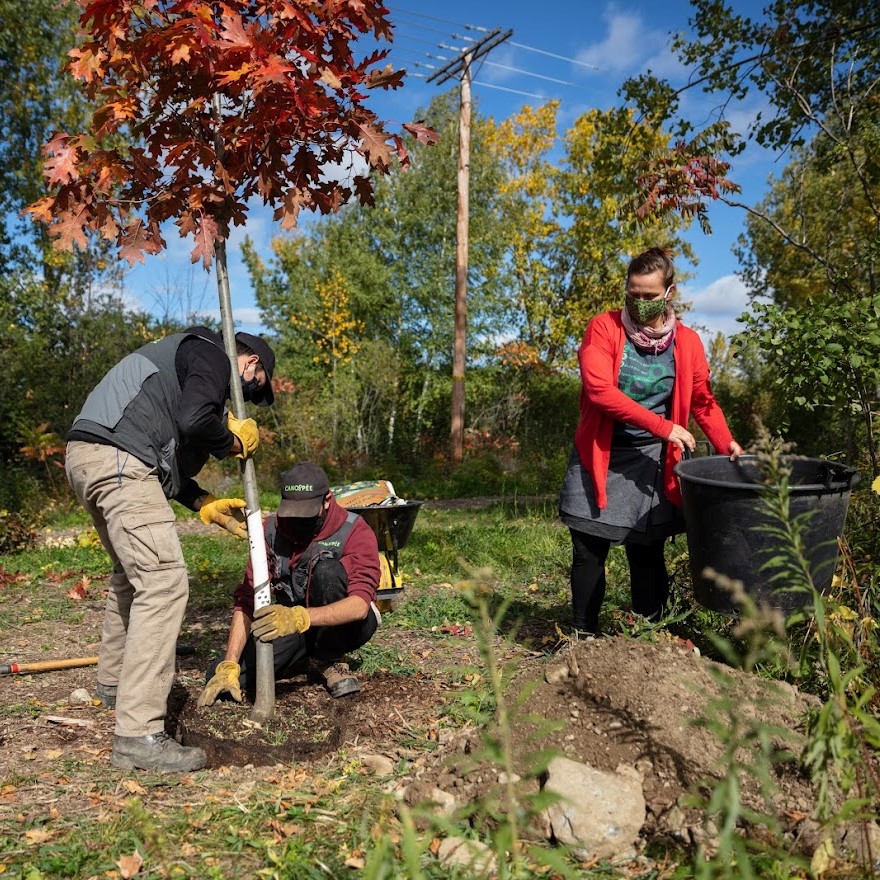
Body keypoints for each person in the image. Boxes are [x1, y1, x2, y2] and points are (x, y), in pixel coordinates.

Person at [64, 325, 276, 772]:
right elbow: (195, 420)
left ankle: (114, 685)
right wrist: (233, 441)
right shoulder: (211, 354)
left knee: (133, 573)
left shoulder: (179, 365)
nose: (247, 400)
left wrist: (203, 502)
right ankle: (138, 734)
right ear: (251, 363)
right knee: (163, 581)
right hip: (120, 459)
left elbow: (171, 457)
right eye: (253, 389)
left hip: (89, 455)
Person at [559, 247, 743, 637]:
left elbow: (703, 402)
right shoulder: (604, 329)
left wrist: (728, 445)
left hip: (651, 460)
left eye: (649, 296)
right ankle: (584, 635)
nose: (639, 302)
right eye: (633, 294)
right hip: (601, 453)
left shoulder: (688, 343)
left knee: (646, 550)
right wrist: (663, 426)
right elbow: (598, 391)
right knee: (589, 549)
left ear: (669, 292)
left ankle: (649, 639)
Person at [198, 461, 382, 707]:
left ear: (327, 500)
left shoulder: (353, 531)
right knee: (218, 674)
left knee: (327, 573)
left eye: (306, 513)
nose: (297, 520)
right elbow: (246, 599)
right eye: (292, 512)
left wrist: (298, 617)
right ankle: (304, 657)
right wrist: (230, 663)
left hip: (344, 625)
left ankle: (331, 659)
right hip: (293, 627)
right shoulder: (270, 531)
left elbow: (359, 606)